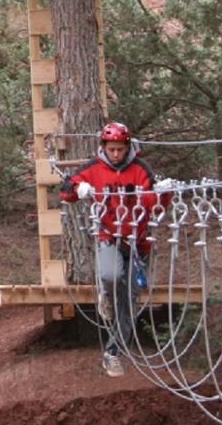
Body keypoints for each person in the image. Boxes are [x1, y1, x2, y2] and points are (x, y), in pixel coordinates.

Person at [60, 121, 174, 378]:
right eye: (111, 149)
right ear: (104, 147)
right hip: (109, 236)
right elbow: (65, 189)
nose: (116, 154)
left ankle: (113, 352)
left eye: (120, 149)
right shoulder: (94, 168)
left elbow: (153, 204)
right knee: (111, 275)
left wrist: (164, 194)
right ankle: (105, 296)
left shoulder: (140, 169)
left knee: (129, 301)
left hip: (137, 241)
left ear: (128, 147)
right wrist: (80, 189)